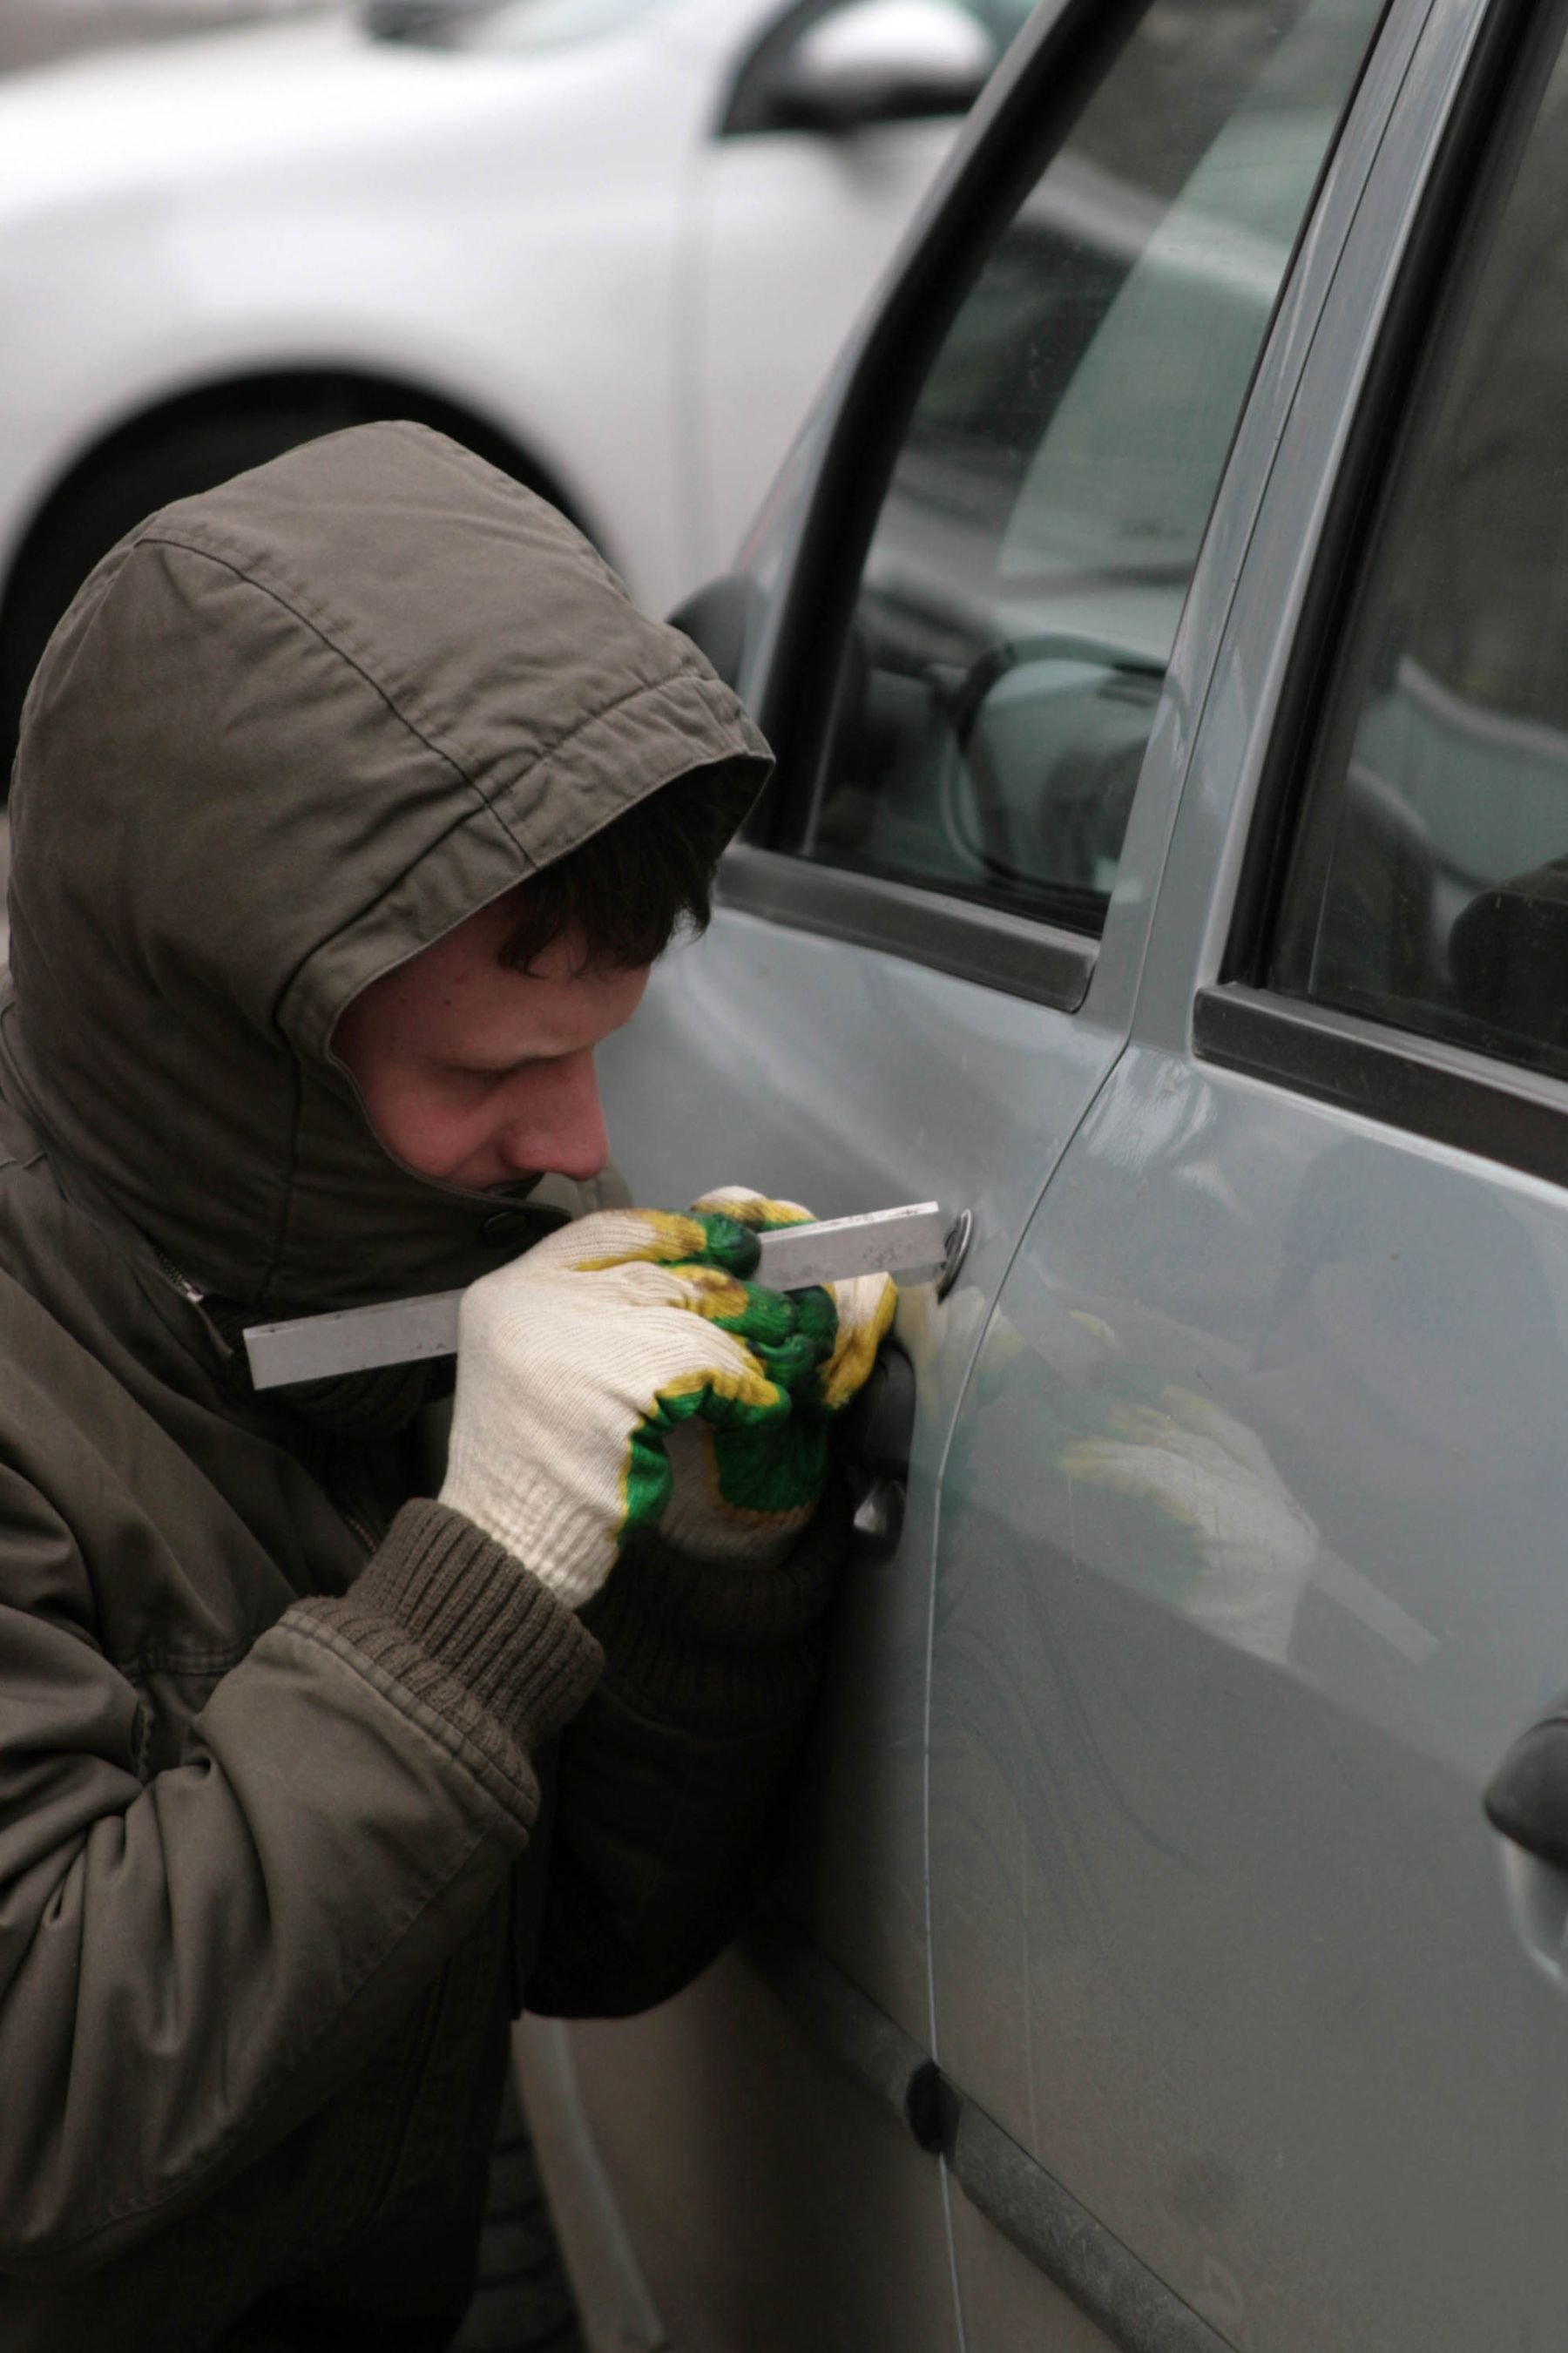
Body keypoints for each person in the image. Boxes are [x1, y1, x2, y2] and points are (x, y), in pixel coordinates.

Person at [0, 421, 891, 2350]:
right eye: (493, 1075)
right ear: (250, 1039)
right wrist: (484, 1571)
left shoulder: (433, 1223)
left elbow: (579, 1935)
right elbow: (40, 2101)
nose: (576, 1140)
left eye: (593, 1052)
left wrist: (709, 1570)